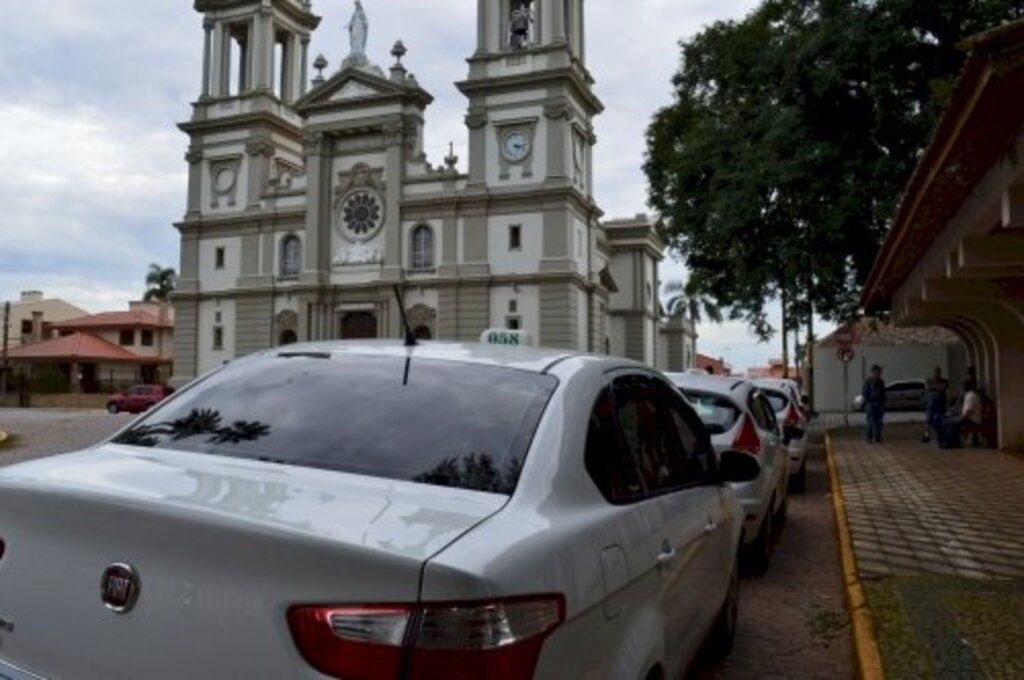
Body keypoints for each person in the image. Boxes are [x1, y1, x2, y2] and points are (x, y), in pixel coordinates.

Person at [941, 380, 983, 448]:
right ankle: (952, 441)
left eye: (963, 386)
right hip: (970, 417)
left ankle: (950, 443)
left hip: (973, 419)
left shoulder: (971, 396)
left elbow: (969, 412)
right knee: (950, 421)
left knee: (952, 423)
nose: (962, 388)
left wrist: (961, 418)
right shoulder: (969, 395)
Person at [924, 367, 949, 445]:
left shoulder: (944, 381)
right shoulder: (930, 380)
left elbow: (943, 388)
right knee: (929, 419)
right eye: (936, 372)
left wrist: (934, 387)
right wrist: (936, 387)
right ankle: (927, 435)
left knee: (940, 419)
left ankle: (939, 435)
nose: (937, 373)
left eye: (938, 372)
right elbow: (928, 388)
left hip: (941, 403)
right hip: (932, 404)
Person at [862, 365, 886, 444]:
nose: (878, 374)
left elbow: (883, 393)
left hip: (879, 404)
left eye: (879, 372)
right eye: (876, 372)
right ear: (873, 372)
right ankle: (869, 437)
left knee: (879, 422)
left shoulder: (881, 382)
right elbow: (865, 392)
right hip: (871, 403)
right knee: (870, 421)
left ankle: (878, 438)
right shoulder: (868, 381)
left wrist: (882, 402)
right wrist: (869, 400)